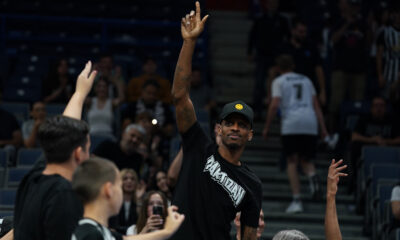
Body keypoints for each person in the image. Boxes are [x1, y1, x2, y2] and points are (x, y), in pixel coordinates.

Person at [171, 2, 262, 239]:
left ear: (250, 135)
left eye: (242, 125)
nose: (235, 128)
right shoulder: (197, 145)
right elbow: (179, 96)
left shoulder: (252, 184)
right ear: (218, 128)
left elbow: (249, 235)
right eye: (230, 123)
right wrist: (189, 43)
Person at [13, 61, 97, 240]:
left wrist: (79, 94)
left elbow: (65, 130)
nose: (89, 156)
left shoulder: (34, 177)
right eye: (87, 149)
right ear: (77, 153)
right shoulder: (64, 195)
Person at [263, 55, 328, 213]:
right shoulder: (306, 80)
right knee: (306, 159)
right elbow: (316, 105)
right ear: (293, 66)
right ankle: (312, 175)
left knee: (291, 161)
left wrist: (267, 126)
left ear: (278, 68)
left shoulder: (279, 82)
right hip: (310, 122)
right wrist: (323, 129)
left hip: (291, 123)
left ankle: (297, 199)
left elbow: (274, 105)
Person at [71, 158, 184, 240]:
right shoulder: (90, 234)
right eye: (120, 185)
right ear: (109, 190)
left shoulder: (97, 230)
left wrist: (167, 230)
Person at [329, 0, 367, 133]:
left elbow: (370, 42)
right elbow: (333, 40)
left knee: (357, 104)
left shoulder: (363, 23)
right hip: (340, 68)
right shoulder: (338, 21)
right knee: (336, 103)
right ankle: (333, 133)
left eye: (357, 6)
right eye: (353, 6)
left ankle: (354, 132)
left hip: (358, 69)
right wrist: (347, 24)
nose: (355, 9)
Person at [247, 0, 290, 118]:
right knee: (259, 84)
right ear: (266, 5)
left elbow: (288, 38)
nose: (272, 5)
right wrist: (250, 52)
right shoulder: (260, 19)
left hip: (277, 58)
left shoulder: (282, 21)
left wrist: (284, 54)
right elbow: (252, 36)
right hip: (262, 55)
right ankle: (258, 111)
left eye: (275, 3)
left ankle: (277, 111)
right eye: (270, 3)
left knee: (277, 85)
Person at [350, 97, 400, 192]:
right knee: (356, 146)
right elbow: (354, 137)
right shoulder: (365, 119)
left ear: (385, 108)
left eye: (381, 106)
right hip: (369, 148)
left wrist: (386, 141)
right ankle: (355, 179)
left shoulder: (393, 120)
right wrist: (372, 140)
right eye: (376, 106)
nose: (379, 108)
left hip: (388, 150)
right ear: (371, 108)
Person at [276, 18, 327, 106]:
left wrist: (322, 90)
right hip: (288, 88)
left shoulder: (311, 46)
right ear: (293, 31)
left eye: (305, 32)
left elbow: (318, 68)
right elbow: (274, 70)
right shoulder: (284, 47)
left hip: (307, 88)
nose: (303, 34)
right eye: (300, 32)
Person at [109, 168, 145, 234]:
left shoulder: (140, 201)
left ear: (136, 183)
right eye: (125, 179)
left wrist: (139, 199)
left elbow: (140, 223)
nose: (129, 181)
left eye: (132, 179)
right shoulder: (113, 201)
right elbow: (112, 225)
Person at [376, 4, 400, 97]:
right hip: (389, 74)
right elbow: (379, 56)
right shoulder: (385, 32)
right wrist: (380, 75)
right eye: (397, 13)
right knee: (387, 100)